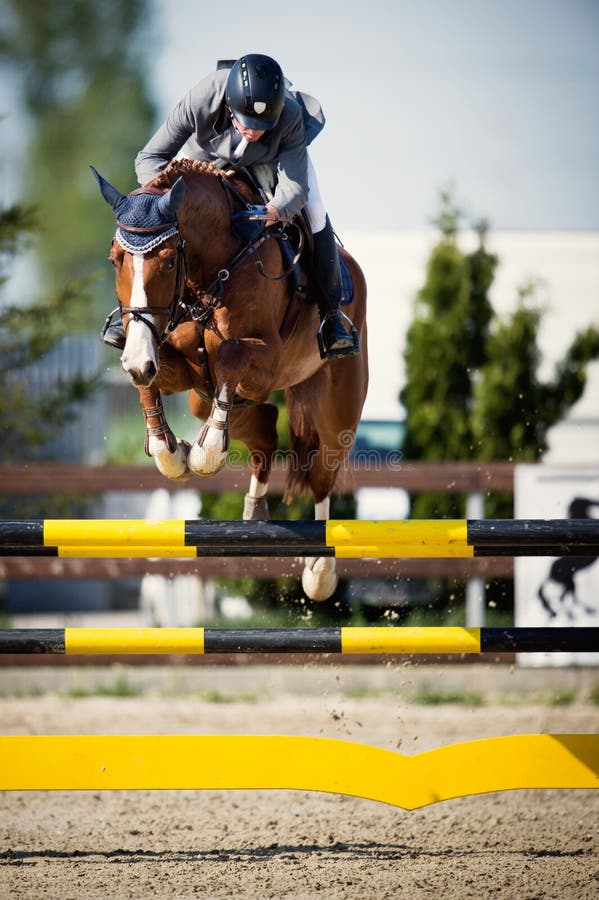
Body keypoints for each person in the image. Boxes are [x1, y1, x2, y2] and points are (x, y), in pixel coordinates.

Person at [131, 53, 358, 360]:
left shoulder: (288, 116)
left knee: (315, 211)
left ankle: (332, 317)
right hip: (205, 157)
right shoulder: (203, 98)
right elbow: (149, 159)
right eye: (247, 122)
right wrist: (167, 198)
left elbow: (295, 187)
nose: (253, 132)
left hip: (273, 162)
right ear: (229, 107)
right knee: (154, 223)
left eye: (262, 125)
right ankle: (134, 319)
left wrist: (275, 210)